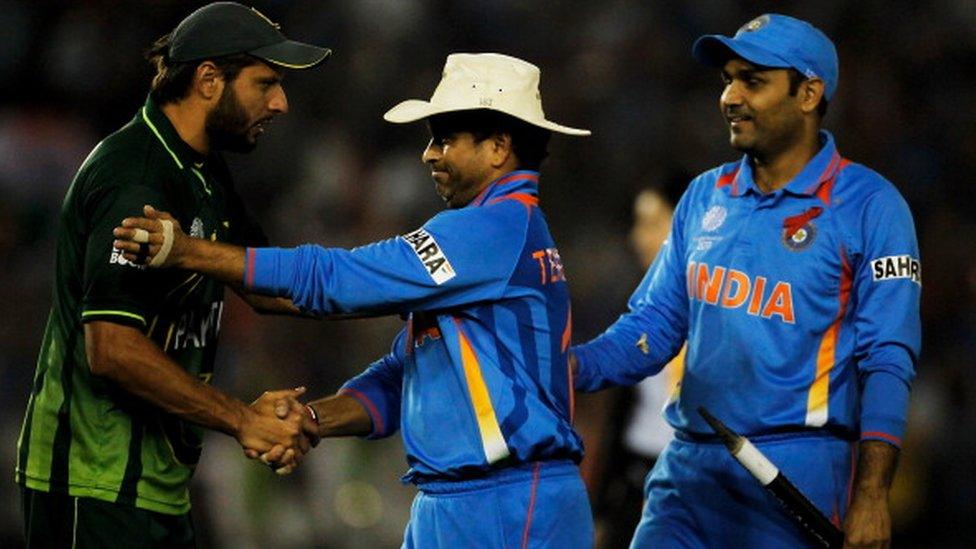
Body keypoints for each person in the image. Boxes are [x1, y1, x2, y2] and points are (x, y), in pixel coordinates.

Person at [113, 53, 595, 547]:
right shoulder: (493, 241)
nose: (429, 154)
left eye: (444, 138)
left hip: (509, 505)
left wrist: (188, 251)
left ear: (497, 147)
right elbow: (404, 377)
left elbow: (338, 278)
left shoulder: (491, 230)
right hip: (463, 502)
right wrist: (312, 420)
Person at [571, 14, 920, 548]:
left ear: (808, 93)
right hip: (687, 469)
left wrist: (872, 496)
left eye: (752, 81)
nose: (730, 97)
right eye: (727, 80)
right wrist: (571, 366)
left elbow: (887, 360)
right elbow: (654, 325)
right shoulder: (703, 196)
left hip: (795, 475)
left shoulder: (871, 208)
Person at [15, 3, 330, 547]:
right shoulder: (135, 177)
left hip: (155, 484)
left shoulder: (203, 171)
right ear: (208, 79)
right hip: (93, 480)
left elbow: (269, 285)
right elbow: (111, 348)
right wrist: (241, 419)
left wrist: (408, 289)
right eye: (266, 83)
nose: (281, 102)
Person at [586, 187, 685, 548]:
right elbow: (621, 416)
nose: (638, 237)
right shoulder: (639, 305)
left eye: (653, 223)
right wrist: (600, 507)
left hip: (688, 481)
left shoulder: (717, 307)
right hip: (634, 480)